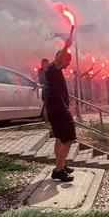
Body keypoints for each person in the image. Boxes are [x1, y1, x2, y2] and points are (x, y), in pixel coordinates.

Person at [44, 38, 76, 181]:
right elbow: (59, 61)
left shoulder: (53, 70)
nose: (68, 63)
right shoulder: (54, 68)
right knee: (68, 139)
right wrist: (66, 46)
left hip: (55, 110)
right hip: (59, 110)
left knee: (59, 138)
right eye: (67, 60)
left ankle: (60, 166)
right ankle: (58, 171)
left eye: (70, 61)